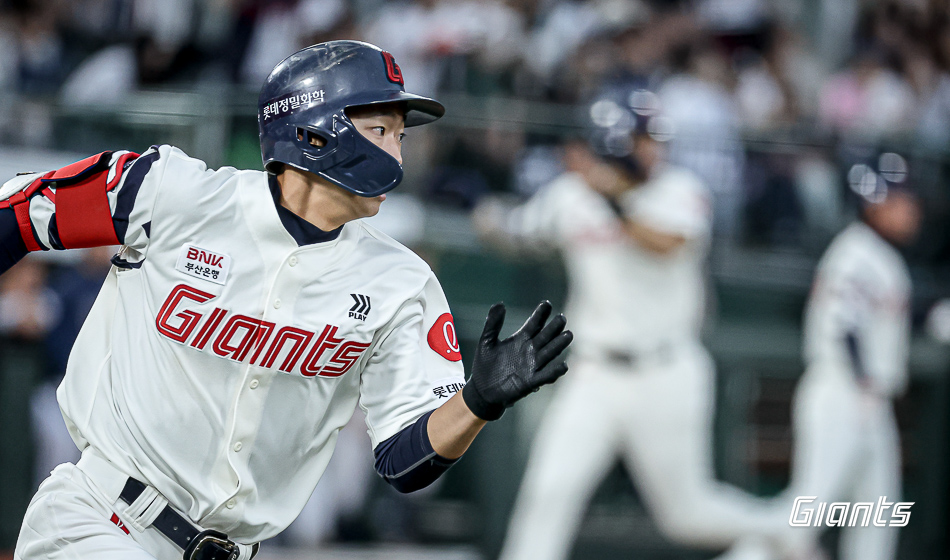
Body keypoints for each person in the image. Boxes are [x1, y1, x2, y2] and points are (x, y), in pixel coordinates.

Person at [0, 40, 573, 560]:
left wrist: (477, 401)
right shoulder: (173, 194)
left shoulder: (401, 281)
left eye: (400, 134)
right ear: (314, 129)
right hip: (103, 520)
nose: (396, 150)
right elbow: (18, 213)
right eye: (380, 129)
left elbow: (404, 460)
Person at [477, 89, 779, 560]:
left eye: (654, 138)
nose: (653, 149)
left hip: (665, 372)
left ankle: (780, 532)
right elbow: (517, 230)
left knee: (685, 516)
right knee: (547, 494)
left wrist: (609, 196)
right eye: (641, 139)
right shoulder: (570, 195)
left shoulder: (681, 190)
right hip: (595, 374)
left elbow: (666, 241)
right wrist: (489, 214)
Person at [721, 153, 920, 560]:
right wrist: (863, 381)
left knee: (877, 514)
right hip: (843, 390)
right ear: (874, 203)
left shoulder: (879, 256)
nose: (910, 209)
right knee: (806, 513)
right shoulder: (854, 253)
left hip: (865, 397)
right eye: (900, 200)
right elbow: (842, 324)